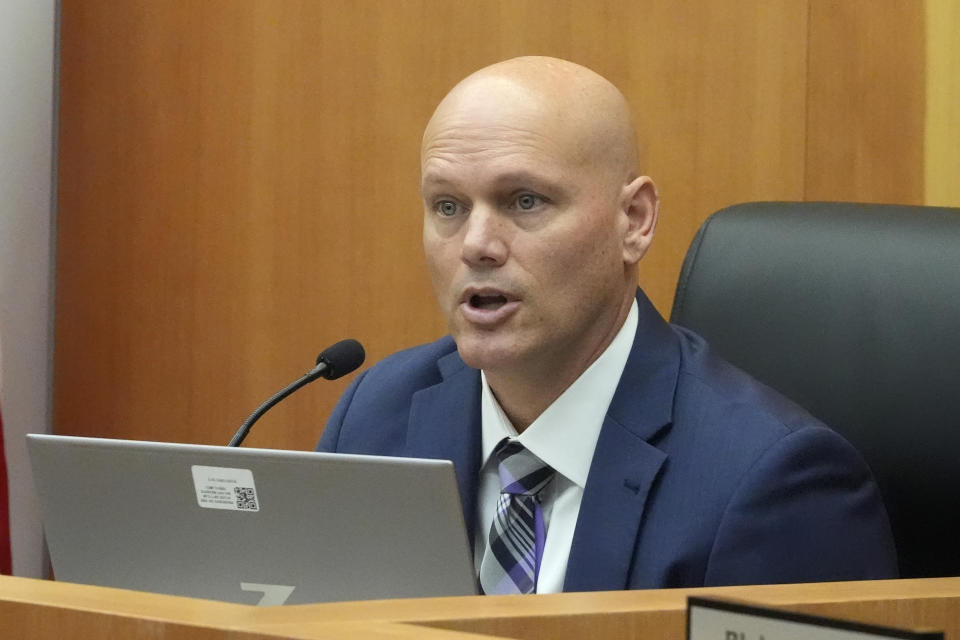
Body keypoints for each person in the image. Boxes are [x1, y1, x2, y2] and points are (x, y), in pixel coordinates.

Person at [318, 56, 898, 593]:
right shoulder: (376, 418)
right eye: (448, 206)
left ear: (634, 221)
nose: (476, 245)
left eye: (525, 201)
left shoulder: (773, 483)